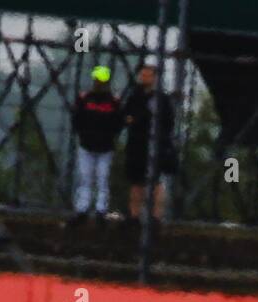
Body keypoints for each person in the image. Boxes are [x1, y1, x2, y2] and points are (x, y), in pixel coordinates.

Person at [69, 65, 124, 226]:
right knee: (85, 179)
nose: (98, 83)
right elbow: (76, 118)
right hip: (87, 145)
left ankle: (101, 211)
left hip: (105, 147)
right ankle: (82, 209)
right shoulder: (85, 98)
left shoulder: (113, 101)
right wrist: (83, 133)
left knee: (102, 179)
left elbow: (118, 122)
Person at [122, 63, 177, 223]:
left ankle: (156, 217)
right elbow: (127, 117)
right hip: (136, 144)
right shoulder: (134, 97)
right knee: (136, 182)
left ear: (155, 78)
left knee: (155, 182)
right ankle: (134, 215)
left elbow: (167, 122)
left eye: (148, 75)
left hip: (155, 144)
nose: (144, 78)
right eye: (142, 75)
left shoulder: (162, 99)